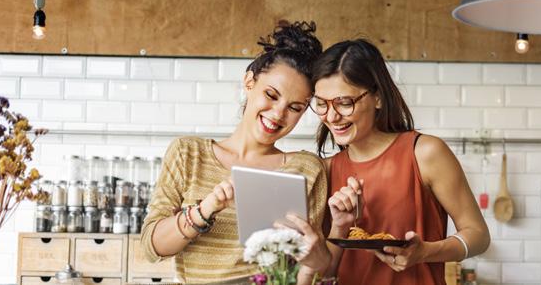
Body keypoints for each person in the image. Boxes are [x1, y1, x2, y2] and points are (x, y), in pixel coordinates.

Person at [140, 21, 331, 284]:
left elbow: (309, 271)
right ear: (249, 81)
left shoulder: (307, 169)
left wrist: (318, 256)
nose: (278, 114)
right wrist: (206, 209)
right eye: (271, 95)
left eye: (295, 107)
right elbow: (153, 247)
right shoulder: (188, 154)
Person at [311, 39, 490, 285]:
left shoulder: (425, 153)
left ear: (378, 98)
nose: (331, 117)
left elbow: (479, 236)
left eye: (344, 103)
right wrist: (338, 229)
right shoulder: (327, 169)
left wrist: (425, 252)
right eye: (321, 104)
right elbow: (325, 274)